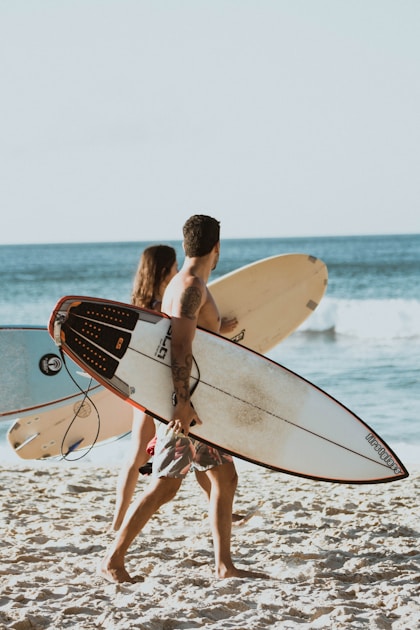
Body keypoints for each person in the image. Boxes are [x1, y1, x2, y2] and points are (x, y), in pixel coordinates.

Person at [100, 214, 267, 583]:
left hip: (198, 403)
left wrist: (218, 327)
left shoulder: (184, 284)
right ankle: (113, 559)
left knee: (226, 479)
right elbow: (179, 347)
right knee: (165, 486)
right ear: (217, 248)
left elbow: (188, 333)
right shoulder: (191, 285)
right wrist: (180, 404)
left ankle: (225, 565)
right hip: (187, 404)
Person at [111, 243, 239, 532]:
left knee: (201, 462)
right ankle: (118, 527)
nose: (175, 270)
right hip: (163, 390)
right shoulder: (166, 302)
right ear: (163, 269)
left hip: (151, 385)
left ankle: (218, 511)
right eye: (171, 266)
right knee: (149, 465)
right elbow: (176, 344)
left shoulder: (144, 303)